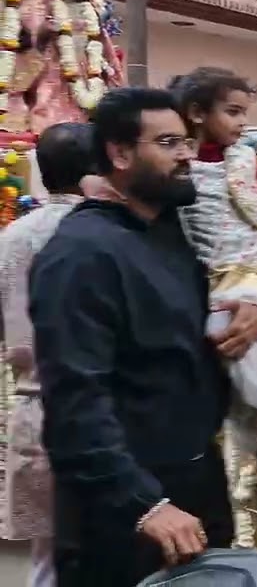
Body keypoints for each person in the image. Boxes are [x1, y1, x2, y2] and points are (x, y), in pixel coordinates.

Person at [31, 88, 257, 587]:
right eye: (168, 144)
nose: (187, 155)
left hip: (193, 484)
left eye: (186, 142)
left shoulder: (166, 232)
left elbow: (191, 336)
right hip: (125, 513)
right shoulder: (81, 255)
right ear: (120, 155)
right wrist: (145, 504)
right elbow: (76, 403)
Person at [169, 68, 257, 489]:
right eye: (232, 112)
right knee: (222, 349)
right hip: (211, 270)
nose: (242, 122)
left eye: (245, 113)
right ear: (196, 113)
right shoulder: (178, 164)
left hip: (253, 261)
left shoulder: (246, 158)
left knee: (225, 330)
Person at [0, 123, 95, 587]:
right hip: (105, 413)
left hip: (35, 409)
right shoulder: (106, 232)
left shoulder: (13, 237)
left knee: (48, 558)